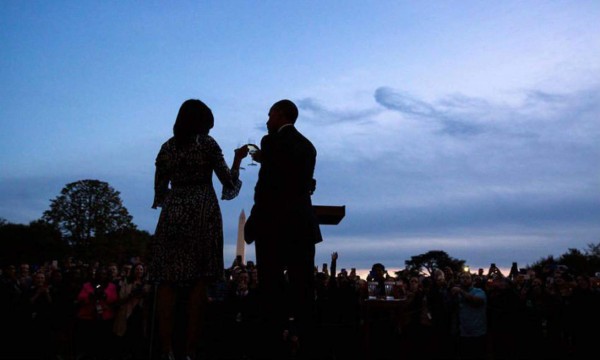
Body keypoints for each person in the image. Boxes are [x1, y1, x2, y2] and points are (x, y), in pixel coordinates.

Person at [149, 98, 248, 360]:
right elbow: (228, 181)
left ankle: (166, 349)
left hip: (173, 214)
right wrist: (238, 160)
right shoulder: (206, 144)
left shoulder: (166, 148)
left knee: (168, 282)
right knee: (199, 281)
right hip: (203, 213)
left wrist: (175, 201)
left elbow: (159, 191)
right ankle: (191, 350)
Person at [244, 99, 322, 358]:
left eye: (269, 115)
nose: (267, 121)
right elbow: (299, 181)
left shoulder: (270, 142)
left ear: (279, 115)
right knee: (303, 289)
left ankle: (273, 346)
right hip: (301, 225)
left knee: (272, 289)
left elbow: (267, 187)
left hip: (274, 226)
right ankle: (308, 344)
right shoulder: (309, 147)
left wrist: (254, 219)